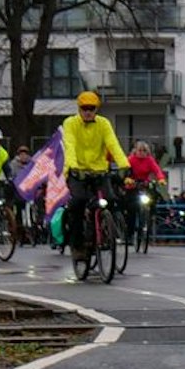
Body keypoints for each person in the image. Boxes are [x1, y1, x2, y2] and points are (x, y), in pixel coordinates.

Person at [61, 90, 132, 262]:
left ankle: (106, 231)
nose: (88, 112)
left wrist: (125, 165)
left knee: (110, 199)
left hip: (99, 171)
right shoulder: (70, 123)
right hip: (77, 171)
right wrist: (73, 167)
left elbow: (113, 144)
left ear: (96, 109)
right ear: (79, 108)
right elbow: (69, 146)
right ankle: (77, 245)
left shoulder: (103, 124)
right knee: (78, 203)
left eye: (91, 108)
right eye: (84, 108)